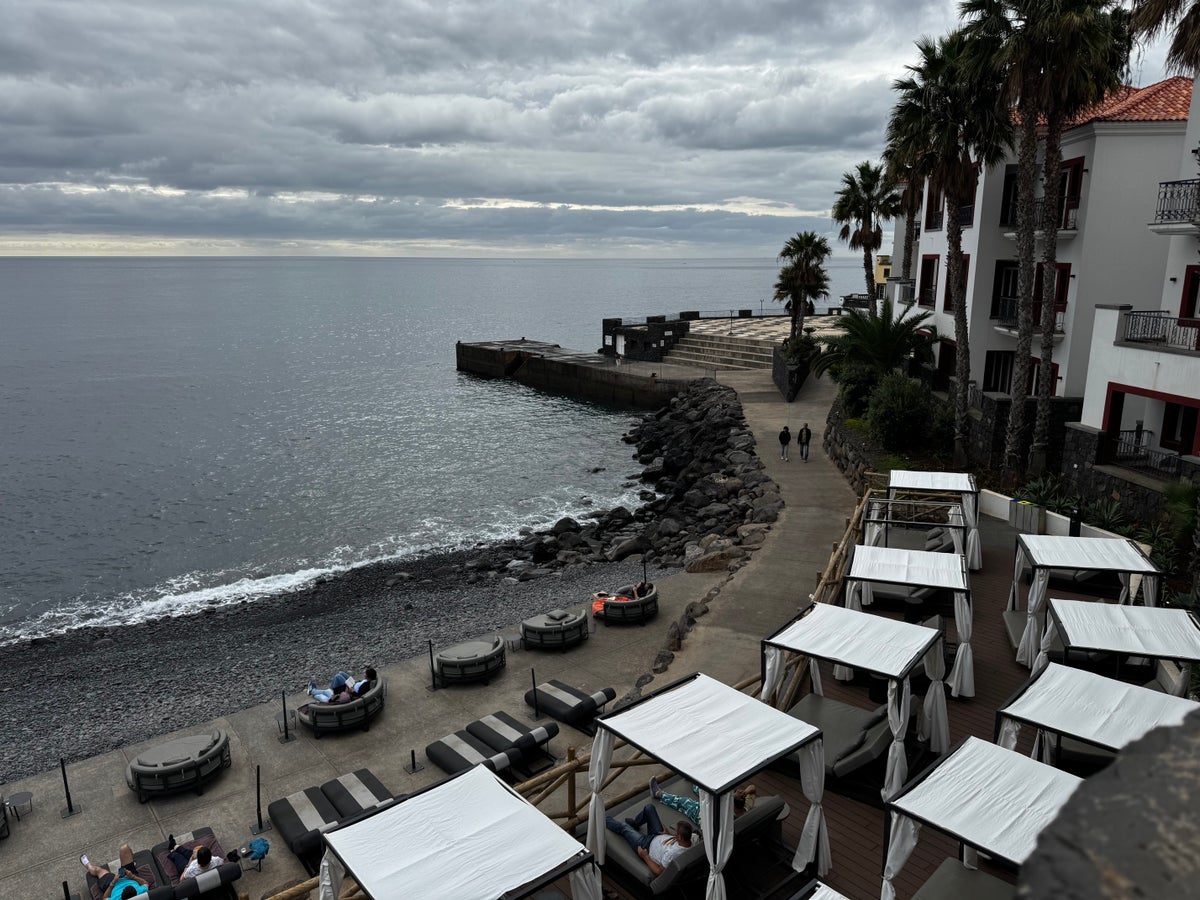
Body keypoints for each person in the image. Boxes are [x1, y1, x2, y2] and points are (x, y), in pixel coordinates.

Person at [605, 806, 692, 876]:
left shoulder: (672, 855)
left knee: (624, 827)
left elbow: (658, 871)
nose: (675, 833)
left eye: (676, 833)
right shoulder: (692, 840)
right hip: (659, 835)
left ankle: (603, 818)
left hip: (646, 845)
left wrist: (645, 856)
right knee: (649, 808)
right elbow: (678, 841)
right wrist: (668, 835)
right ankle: (635, 824)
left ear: (680, 837)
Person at [649, 776, 757, 826]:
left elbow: (716, 802)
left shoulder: (726, 815)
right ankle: (692, 778)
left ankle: (658, 794)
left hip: (705, 817)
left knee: (684, 802)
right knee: (703, 791)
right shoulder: (747, 806)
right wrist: (745, 793)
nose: (740, 791)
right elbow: (753, 787)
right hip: (714, 808)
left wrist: (732, 796)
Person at [81, 848, 149, 900]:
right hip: (129, 876)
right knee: (124, 848)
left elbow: (105, 898)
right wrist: (132, 876)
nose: (124, 888)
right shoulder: (140, 892)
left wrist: (113, 882)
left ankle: (88, 865)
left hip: (112, 884)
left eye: (123, 889)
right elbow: (145, 883)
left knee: (97, 870)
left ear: (122, 895)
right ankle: (132, 862)